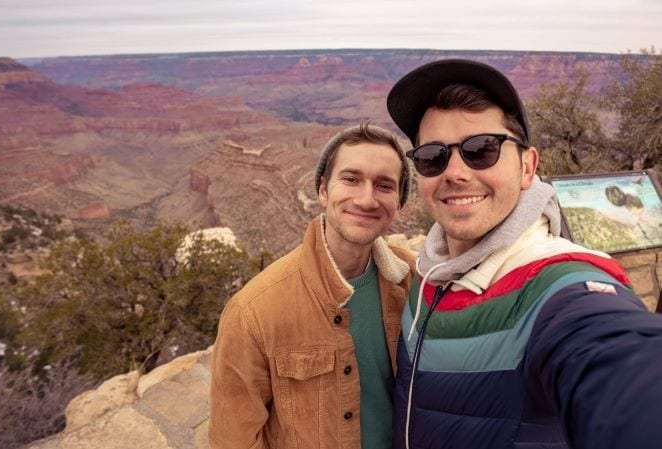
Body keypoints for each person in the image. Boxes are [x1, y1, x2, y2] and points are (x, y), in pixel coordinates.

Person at [386, 59, 662, 449]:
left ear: (527, 166)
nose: (455, 173)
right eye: (433, 155)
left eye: (481, 149)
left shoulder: (556, 285)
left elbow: (615, 359)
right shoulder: (428, 275)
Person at [209, 123, 415, 449]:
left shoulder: (412, 280)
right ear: (322, 190)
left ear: (398, 203)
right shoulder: (254, 311)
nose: (366, 198)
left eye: (384, 185)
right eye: (351, 179)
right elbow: (233, 439)